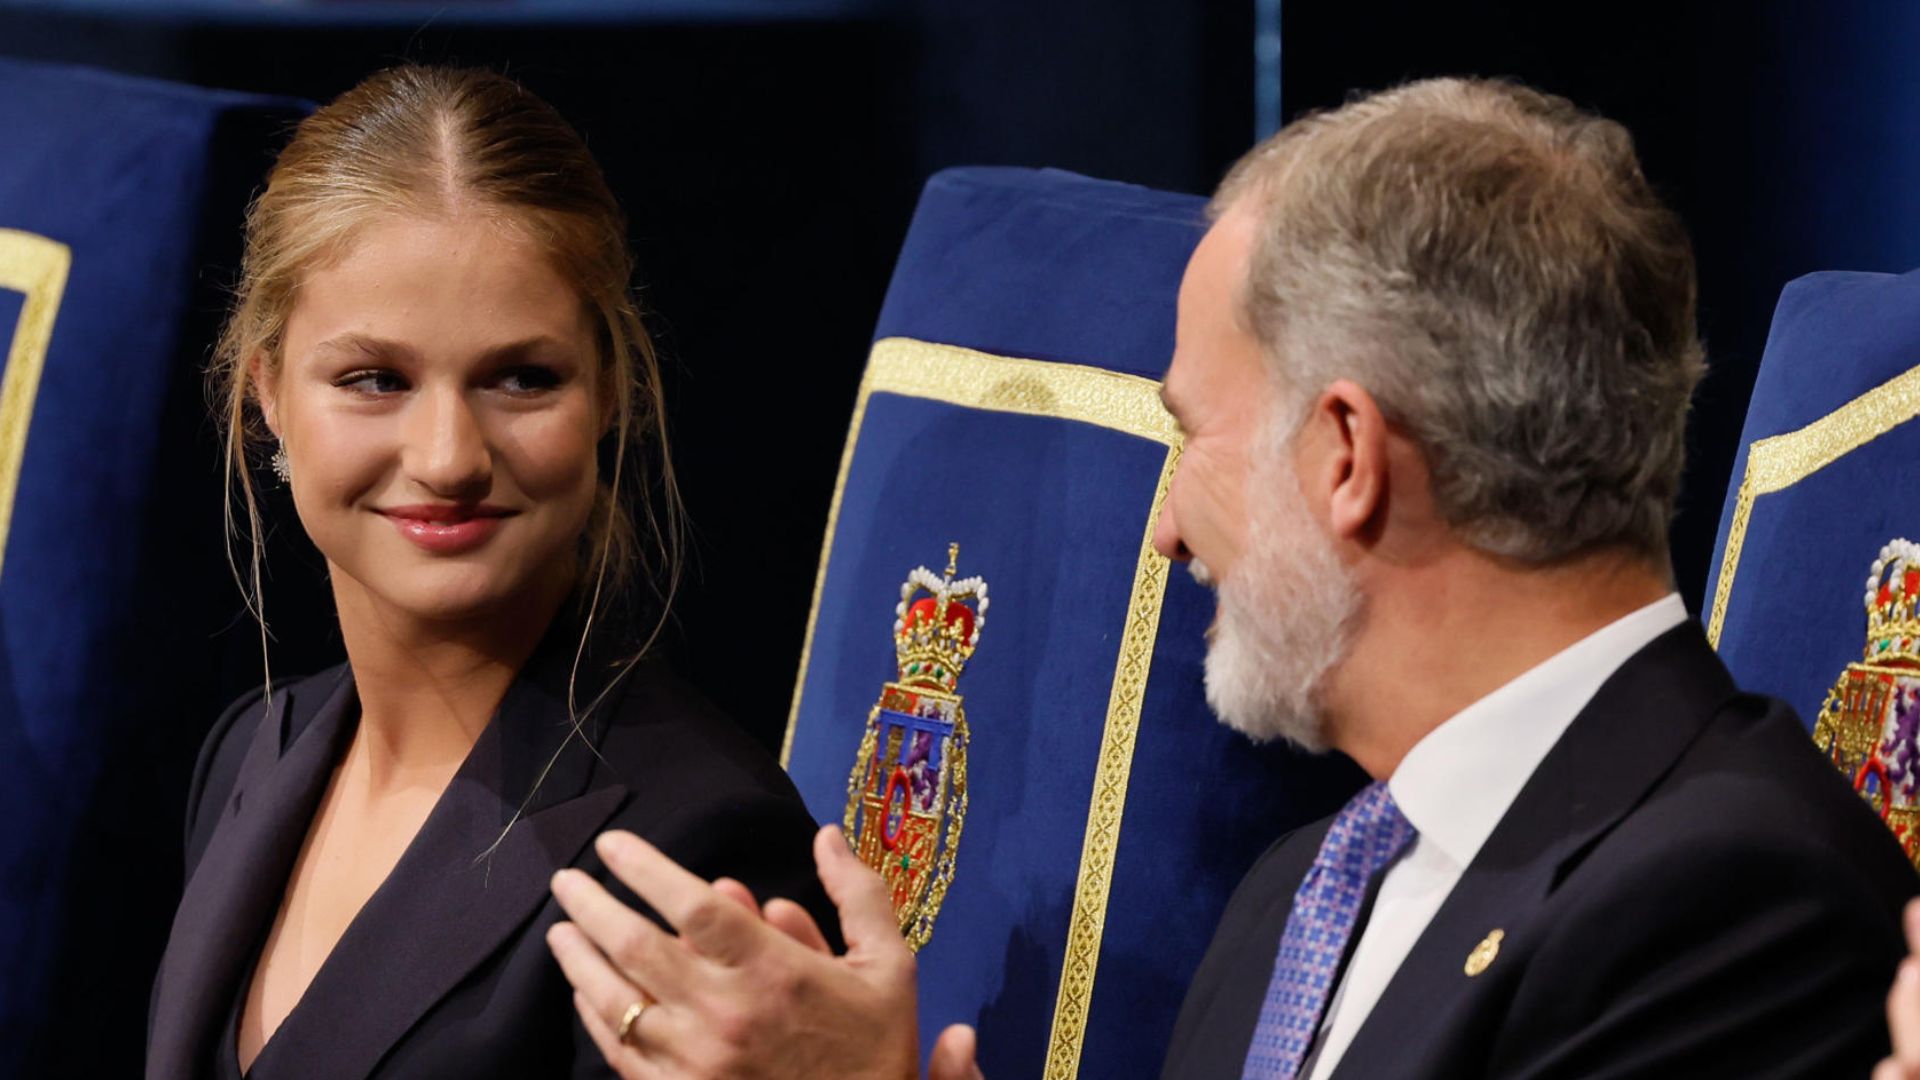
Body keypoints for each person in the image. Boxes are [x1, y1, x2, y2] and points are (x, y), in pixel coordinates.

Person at [541, 77, 1920, 1079]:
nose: (1164, 534)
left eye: (1192, 436)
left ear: (1343, 456)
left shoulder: (1734, 897)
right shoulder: (1301, 891)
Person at [144, 65, 832, 1079]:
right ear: (269, 395)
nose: (448, 456)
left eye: (522, 379)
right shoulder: (252, 751)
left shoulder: (694, 849)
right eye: (375, 379)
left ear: (609, 394)